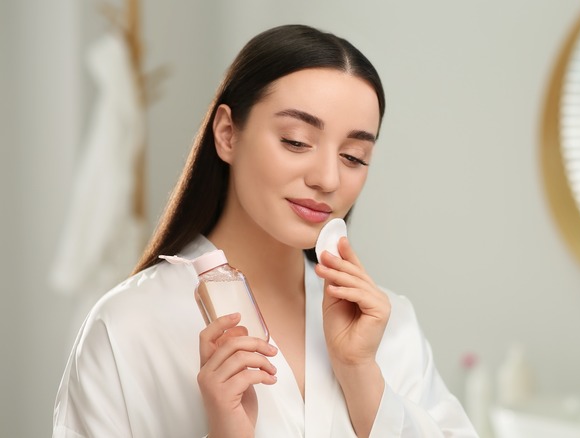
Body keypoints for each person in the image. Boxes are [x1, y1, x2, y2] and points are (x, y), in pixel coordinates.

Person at [52, 24, 477, 437]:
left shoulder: (391, 326)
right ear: (227, 134)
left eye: (353, 156)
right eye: (296, 141)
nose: (327, 178)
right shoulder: (128, 326)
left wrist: (362, 378)